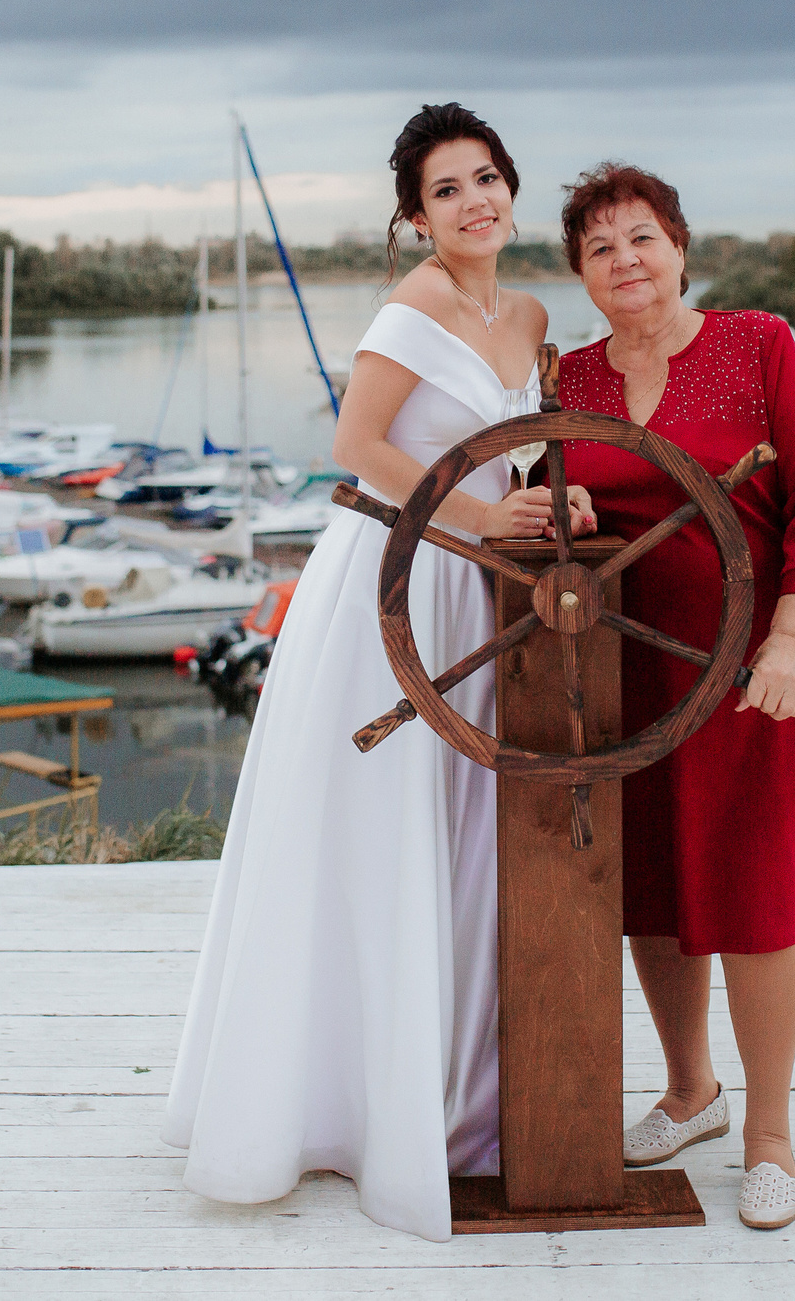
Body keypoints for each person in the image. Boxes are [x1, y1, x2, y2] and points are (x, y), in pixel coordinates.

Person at [164, 103, 595, 1241]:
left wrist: (555, 500)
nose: (477, 201)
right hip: (399, 583)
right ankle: (350, 1113)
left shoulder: (537, 311)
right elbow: (356, 453)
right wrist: (483, 518)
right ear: (415, 218)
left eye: (489, 178)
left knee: (465, 838)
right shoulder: (411, 310)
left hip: (487, 593)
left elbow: (533, 454)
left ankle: (459, 1100)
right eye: (448, 189)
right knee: (382, 835)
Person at [553, 162, 795, 1232]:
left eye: (640, 239)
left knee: (760, 900)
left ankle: (768, 1133)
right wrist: (563, 498)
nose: (624, 261)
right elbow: (539, 495)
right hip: (629, 667)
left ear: (679, 246)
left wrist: (787, 639)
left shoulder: (757, 344)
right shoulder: (572, 379)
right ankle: (691, 1095)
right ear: (580, 273)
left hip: (758, 671)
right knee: (658, 893)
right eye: (599, 248)